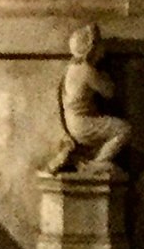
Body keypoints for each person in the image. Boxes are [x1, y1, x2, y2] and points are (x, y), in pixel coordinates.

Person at [47, 23, 130, 174]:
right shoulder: (87, 71)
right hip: (83, 124)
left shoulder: (70, 68)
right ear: (91, 48)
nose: (102, 48)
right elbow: (109, 92)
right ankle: (97, 164)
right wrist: (105, 76)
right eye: (99, 43)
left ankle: (91, 159)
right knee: (123, 129)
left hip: (72, 122)